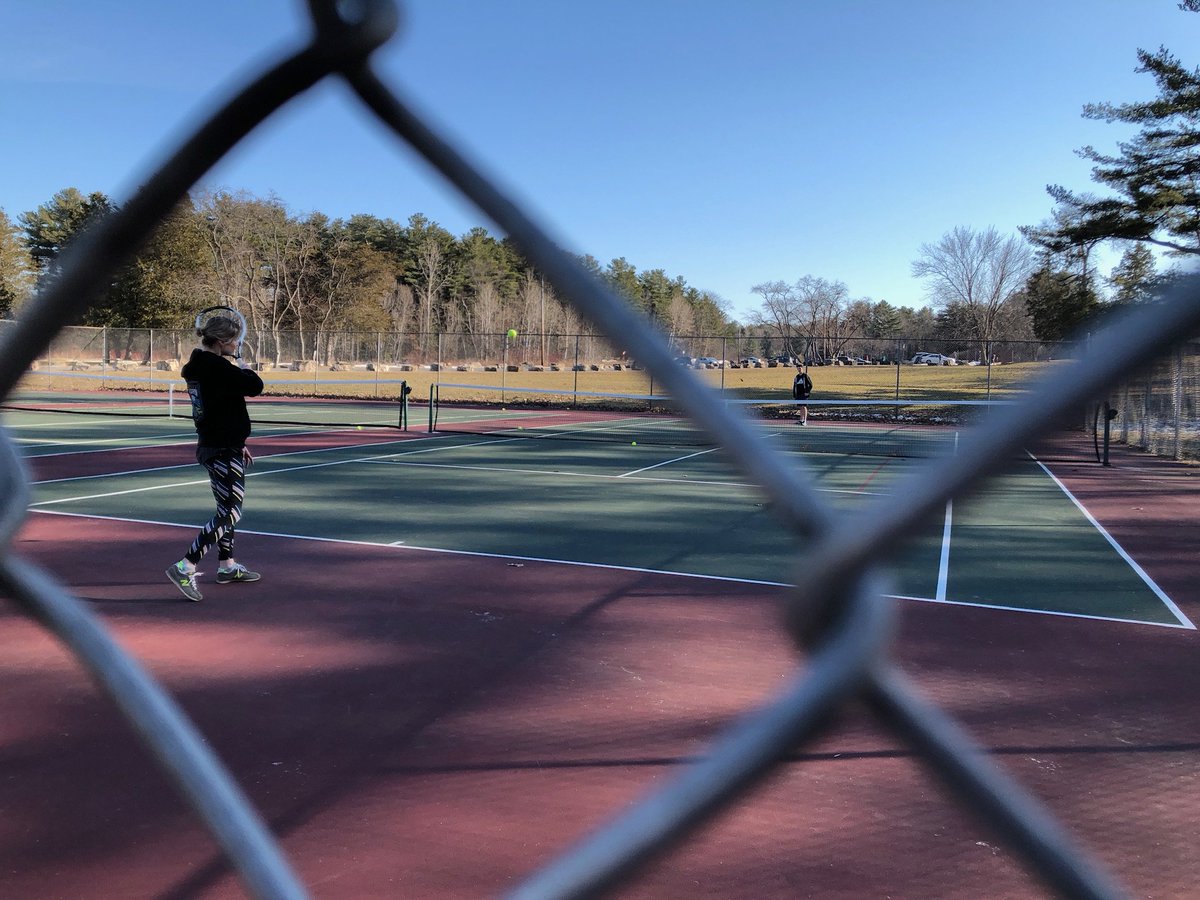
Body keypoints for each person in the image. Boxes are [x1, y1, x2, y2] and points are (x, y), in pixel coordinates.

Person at [166, 315, 264, 601]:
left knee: (225, 509)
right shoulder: (218, 367)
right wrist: (243, 363)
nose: (237, 345)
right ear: (222, 341)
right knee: (231, 512)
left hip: (219, 444)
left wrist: (238, 441)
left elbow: (221, 406)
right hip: (221, 448)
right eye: (235, 341)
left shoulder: (199, 366)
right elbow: (255, 386)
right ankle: (185, 566)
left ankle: (227, 566)